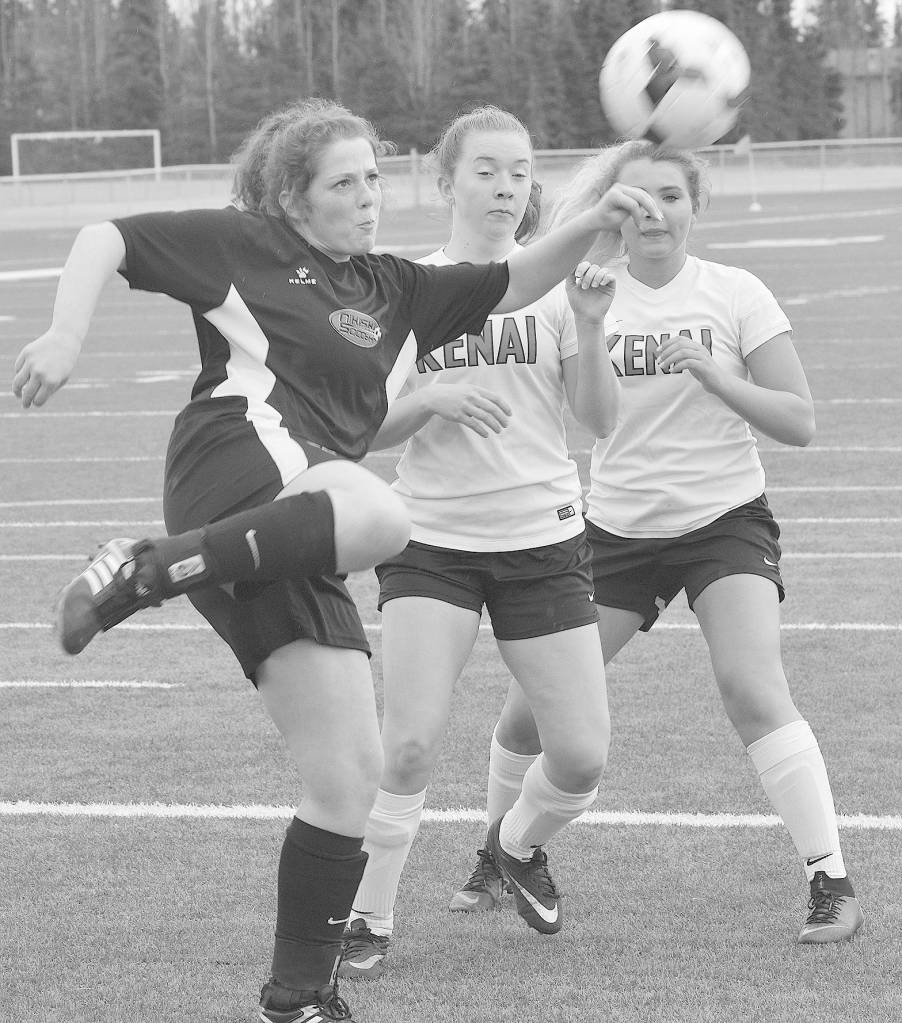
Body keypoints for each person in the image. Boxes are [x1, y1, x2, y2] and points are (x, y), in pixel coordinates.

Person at [11, 101, 666, 1023]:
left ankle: (297, 997)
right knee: (381, 513)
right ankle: (146, 569)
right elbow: (103, 236)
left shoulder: (394, 287)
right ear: (293, 195)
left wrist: (594, 222)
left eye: (373, 179)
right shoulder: (244, 245)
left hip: (295, 533)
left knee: (350, 776)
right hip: (234, 470)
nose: (367, 198)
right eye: (344, 183)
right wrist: (67, 334)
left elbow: (516, 277)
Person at [449, 138, 864, 946]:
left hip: (724, 522)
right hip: (616, 529)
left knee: (752, 686)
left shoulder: (736, 293)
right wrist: (587, 316)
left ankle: (831, 879)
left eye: (670, 197)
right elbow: (582, 417)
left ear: (693, 205)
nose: (654, 214)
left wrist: (715, 375)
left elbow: (800, 422)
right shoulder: (585, 295)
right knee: (530, 716)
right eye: (636, 200)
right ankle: (496, 855)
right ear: (615, 210)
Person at [334, 105, 620, 982]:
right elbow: (364, 428)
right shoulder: (405, 289)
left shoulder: (554, 288)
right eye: (488, 168)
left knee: (581, 755)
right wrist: (436, 400)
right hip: (433, 543)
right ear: (445, 179)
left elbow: (599, 421)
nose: (506, 186)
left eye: (522, 171)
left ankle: (516, 844)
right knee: (409, 744)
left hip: (543, 540)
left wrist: (592, 321)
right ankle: (367, 917)